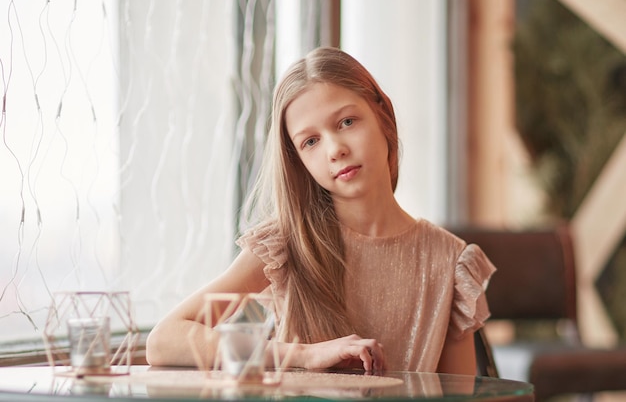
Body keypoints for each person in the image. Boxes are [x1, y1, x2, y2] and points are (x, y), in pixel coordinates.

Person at [146, 46, 496, 375]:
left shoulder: (451, 262)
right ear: (299, 161)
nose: (335, 149)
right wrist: (301, 355)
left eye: (346, 122)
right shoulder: (284, 247)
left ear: (382, 117)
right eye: (310, 141)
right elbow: (163, 341)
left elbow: (454, 394)